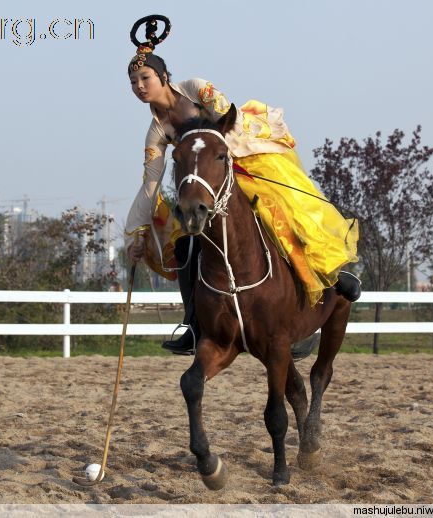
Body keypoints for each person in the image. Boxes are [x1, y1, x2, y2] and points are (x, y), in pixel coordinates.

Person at [124, 18, 360, 355]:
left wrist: (225, 169)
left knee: (283, 211)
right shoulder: (156, 131)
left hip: (238, 162)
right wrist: (138, 233)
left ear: (164, 77)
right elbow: (150, 183)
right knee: (185, 246)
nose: (139, 86)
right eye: (133, 82)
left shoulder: (196, 88)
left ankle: (333, 281)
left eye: (144, 78)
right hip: (202, 187)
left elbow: (229, 122)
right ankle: (194, 322)